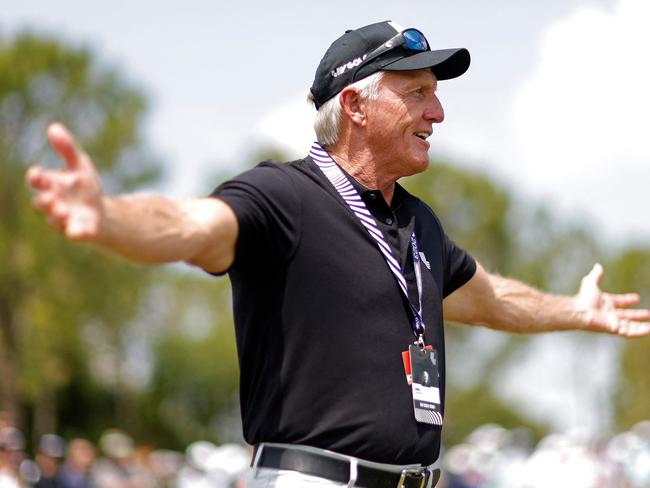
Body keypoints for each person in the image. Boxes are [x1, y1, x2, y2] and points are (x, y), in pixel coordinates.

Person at [25, 20, 650, 488]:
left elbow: (493, 299)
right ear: (354, 105)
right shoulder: (284, 196)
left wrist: (577, 310)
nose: (438, 111)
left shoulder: (418, 223)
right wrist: (107, 217)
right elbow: (193, 224)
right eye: (419, 92)